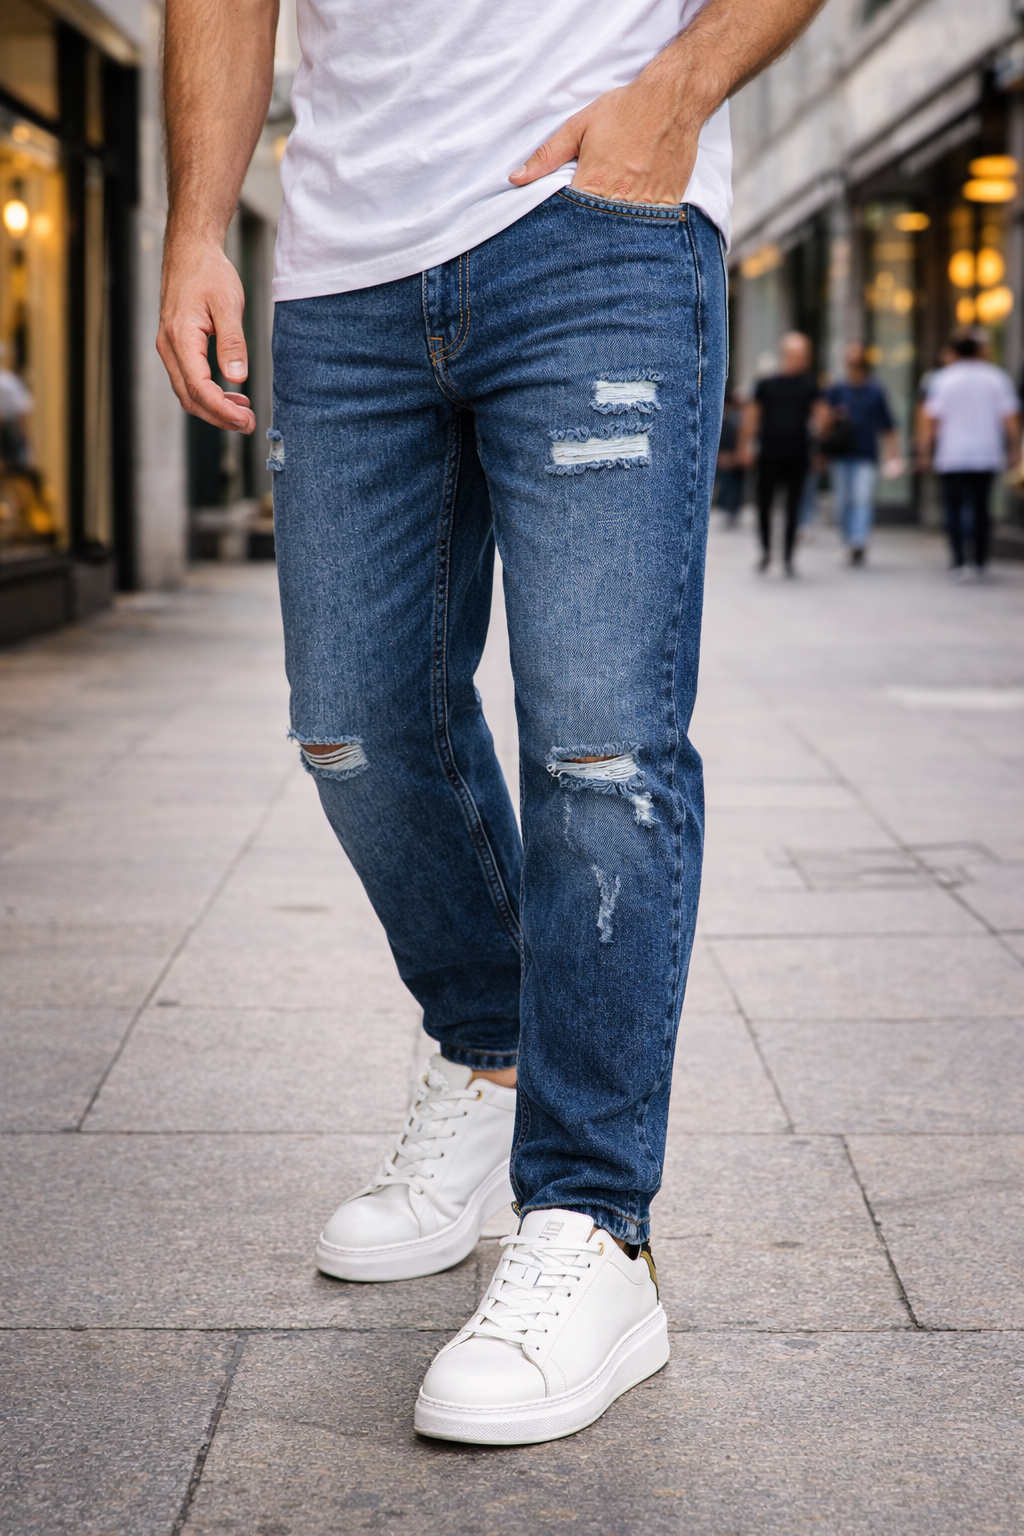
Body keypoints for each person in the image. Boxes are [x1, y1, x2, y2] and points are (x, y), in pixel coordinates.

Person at [158, 0, 825, 1447]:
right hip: (342, 260)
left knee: (601, 744)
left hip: (595, 215)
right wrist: (195, 224)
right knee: (354, 723)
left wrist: (679, 88)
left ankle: (593, 1222)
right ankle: (490, 1047)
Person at [920, 333, 1021, 578]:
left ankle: (958, 559)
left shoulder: (944, 379)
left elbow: (932, 420)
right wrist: (1015, 447)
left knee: (954, 508)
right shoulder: (996, 378)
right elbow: (1010, 418)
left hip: (952, 454)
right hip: (985, 453)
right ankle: (979, 560)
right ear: (979, 351)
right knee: (981, 507)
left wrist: (925, 450)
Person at [740, 332, 824, 576]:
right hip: (769, 453)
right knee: (764, 503)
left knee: (793, 506)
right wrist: (745, 447)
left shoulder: (810, 385)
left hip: (798, 453)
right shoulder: (767, 384)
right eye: (799, 354)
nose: (803, 359)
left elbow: (819, 418)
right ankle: (766, 551)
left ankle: (788, 555)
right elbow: (752, 418)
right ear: (787, 354)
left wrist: (823, 439)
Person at [823, 342, 902, 566]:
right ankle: (849, 540)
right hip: (840, 454)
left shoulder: (875, 390)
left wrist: (893, 454)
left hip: (866, 453)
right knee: (843, 501)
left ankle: (858, 541)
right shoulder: (837, 389)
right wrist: (833, 418)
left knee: (861, 498)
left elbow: (888, 426)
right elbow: (823, 420)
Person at [715, 388, 746, 526]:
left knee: (736, 484)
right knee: (727, 484)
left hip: (736, 454)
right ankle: (728, 509)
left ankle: (734, 509)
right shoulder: (727, 417)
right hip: (727, 453)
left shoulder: (739, 417)